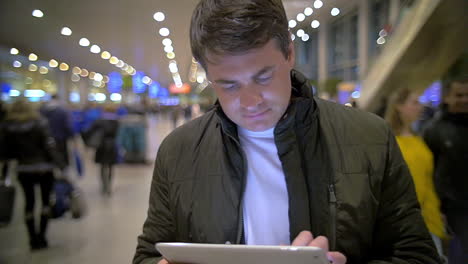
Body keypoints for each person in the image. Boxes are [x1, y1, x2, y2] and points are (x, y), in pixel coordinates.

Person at [134, 0, 441, 263]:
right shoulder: (179, 151)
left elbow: (417, 254)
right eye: (228, 85)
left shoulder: (369, 138)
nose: (251, 101)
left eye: (264, 76)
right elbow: (148, 253)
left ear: (289, 53)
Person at [385, 87, 447, 258]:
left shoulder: (417, 137)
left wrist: (436, 210)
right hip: (405, 221)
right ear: (398, 106)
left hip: (428, 217)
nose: (420, 107)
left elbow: (427, 179)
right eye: (414, 102)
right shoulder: (389, 141)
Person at [0, 99, 63, 250]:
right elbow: (49, 146)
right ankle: (42, 237)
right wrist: (60, 165)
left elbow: (5, 152)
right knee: (45, 202)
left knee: (29, 202)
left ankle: (32, 238)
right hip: (44, 168)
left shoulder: (7, 126)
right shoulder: (40, 123)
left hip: (23, 169)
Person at [423, 76, 468, 264]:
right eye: (459, 95)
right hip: (454, 209)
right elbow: (429, 171)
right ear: (447, 97)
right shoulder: (434, 131)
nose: (465, 99)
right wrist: (439, 206)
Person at [87, 104, 120, 196]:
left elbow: (89, 131)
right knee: (110, 166)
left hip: (101, 145)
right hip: (112, 145)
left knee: (102, 166)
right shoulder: (116, 121)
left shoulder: (99, 121)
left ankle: (103, 186)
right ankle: (109, 185)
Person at [40, 94, 74, 172]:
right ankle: (63, 172)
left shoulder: (42, 110)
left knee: (50, 155)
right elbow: (67, 125)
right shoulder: (62, 111)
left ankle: (52, 171)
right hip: (61, 138)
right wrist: (71, 136)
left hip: (46, 138)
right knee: (62, 156)